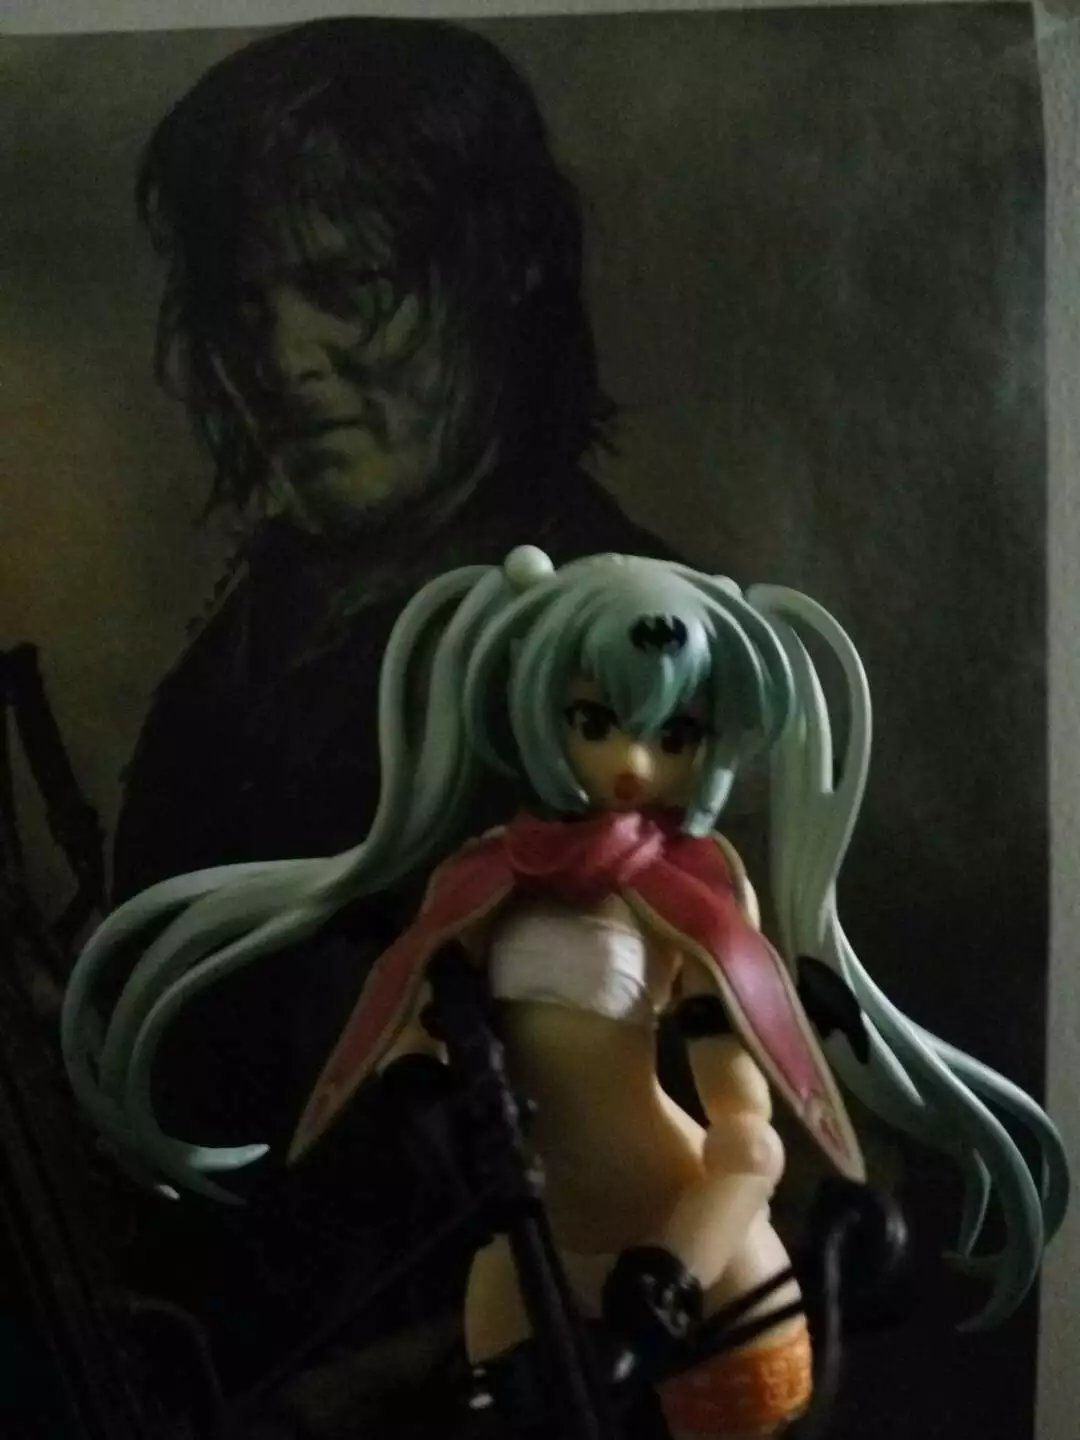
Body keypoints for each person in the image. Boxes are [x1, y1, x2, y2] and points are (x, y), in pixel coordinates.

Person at [64, 548, 1068, 1439]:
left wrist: (670, 1278)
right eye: (595, 720)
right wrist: (419, 1092)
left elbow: (750, 1141)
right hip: (527, 1248)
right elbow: (416, 1023)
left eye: (674, 733)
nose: (633, 763)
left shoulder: (695, 897)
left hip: (694, 1250)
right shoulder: (481, 882)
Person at [98, 16, 680, 1421]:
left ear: (503, 267)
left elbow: (671, 1207)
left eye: (345, 284)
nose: (281, 356)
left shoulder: (623, 665)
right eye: (246, 302)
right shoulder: (271, 615)